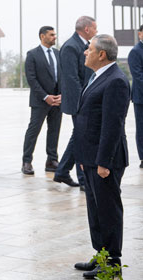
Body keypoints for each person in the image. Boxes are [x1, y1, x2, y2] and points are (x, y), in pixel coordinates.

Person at [72, 34, 130, 279]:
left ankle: (112, 261)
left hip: (105, 160)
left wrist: (104, 162)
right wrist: (83, 158)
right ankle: (101, 254)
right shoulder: (97, 76)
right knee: (95, 211)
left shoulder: (116, 81)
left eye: (89, 49)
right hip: (90, 157)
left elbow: (112, 125)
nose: (85, 52)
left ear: (102, 54)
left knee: (108, 211)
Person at [53, 16, 97, 188]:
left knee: (79, 136)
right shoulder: (71, 47)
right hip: (79, 102)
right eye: (95, 28)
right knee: (81, 138)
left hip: (84, 99)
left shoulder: (85, 46)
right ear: (87, 29)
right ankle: (83, 179)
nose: (96, 31)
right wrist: (84, 100)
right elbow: (71, 79)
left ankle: (62, 171)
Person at [21, 26, 62, 175]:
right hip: (40, 101)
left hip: (57, 100)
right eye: (51, 35)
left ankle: (52, 160)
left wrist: (61, 95)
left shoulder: (58, 54)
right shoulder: (32, 54)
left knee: (54, 131)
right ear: (42, 36)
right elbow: (31, 79)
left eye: (54, 34)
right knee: (34, 130)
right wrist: (45, 97)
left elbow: (63, 75)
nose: (54, 37)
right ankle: (26, 161)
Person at [126, 24, 143, 169]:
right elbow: (138, 76)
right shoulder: (135, 52)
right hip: (141, 97)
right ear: (140, 34)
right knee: (142, 128)